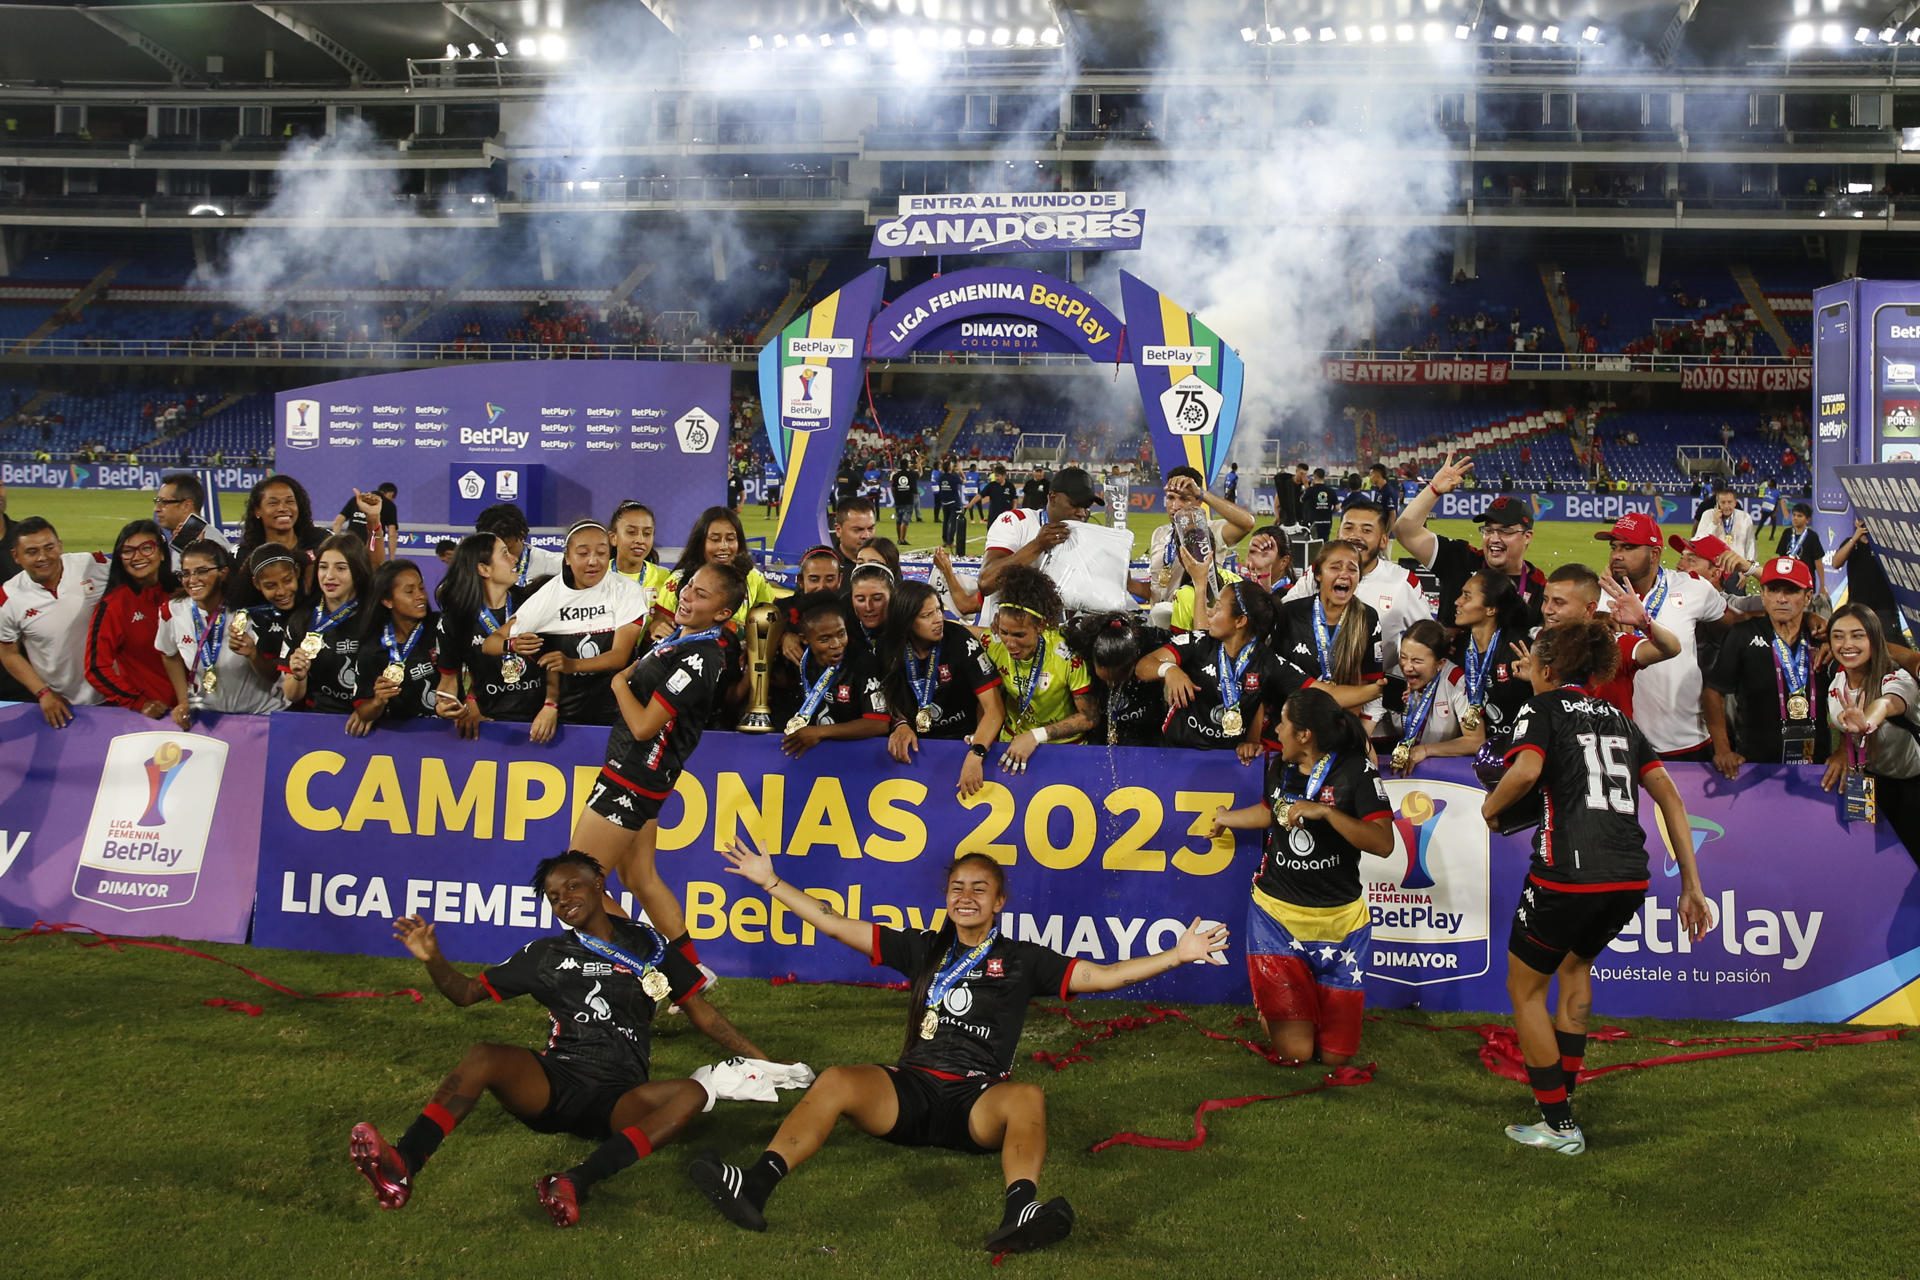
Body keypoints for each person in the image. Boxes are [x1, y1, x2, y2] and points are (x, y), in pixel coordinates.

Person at [688, 842, 1229, 1254]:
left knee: (1028, 1097)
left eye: (979, 889)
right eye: (957, 888)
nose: (966, 897)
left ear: (999, 901)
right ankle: (755, 1186)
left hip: (976, 1103)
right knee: (835, 1079)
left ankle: (1020, 1212)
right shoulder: (923, 947)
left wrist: (1177, 955)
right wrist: (772, 882)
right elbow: (834, 924)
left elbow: (1104, 976)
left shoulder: (1024, 959)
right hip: (910, 1092)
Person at [348, 851, 766, 1227]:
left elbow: (700, 1010)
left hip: (620, 1097)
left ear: (598, 885)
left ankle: (573, 1181)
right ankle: (403, 1162)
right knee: (483, 1056)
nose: (563, 898)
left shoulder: (649, 943)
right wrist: (434, 959)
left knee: (692, 1093)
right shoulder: (545, 955)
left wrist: (763, 1062)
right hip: (556, 1082)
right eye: (553, 896)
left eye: (572, 886)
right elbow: (466, 994)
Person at [1481, 620, 1713, 1156]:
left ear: (1545, 669)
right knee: (1575, 967)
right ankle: (1561, 1103)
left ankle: (1557, 1124)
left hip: (1567, 874)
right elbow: (1672, 801)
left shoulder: (1538, 709)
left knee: (1525, 991)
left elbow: (1526, 769)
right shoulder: (1621, 720)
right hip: (1630, 874)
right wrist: (1692, 886)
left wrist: (1489, 808)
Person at [569, 561, 748, 970]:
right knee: (640, 880)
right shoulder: (685, 641)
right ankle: (692, 972)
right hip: (641, 777)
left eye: (701, 595)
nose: (686, 595)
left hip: (632, 776)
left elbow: (645, 725)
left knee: (575, 884)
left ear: (723, 613)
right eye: (689, 587)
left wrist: (618, 684)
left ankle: (656, 967)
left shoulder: (699, 658)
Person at [1209, 687, 1394, 1065]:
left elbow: (1383, 843)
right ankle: (1278, 1010)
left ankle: (1292, 1010)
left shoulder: (1357, 770)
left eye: (1284, 723)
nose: (1276, 729)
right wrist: (1226, 819)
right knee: (1297, 1054)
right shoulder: (1279, 766)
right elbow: (1268, 813)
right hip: (1277, 917)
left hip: (1341, 922)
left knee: (1334, 1059)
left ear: (1305, 734)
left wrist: (1326, 813)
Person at [1595, 513, 1728, 761]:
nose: (1617, 555)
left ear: (1655, 554)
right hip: (1619, 745)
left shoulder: (1693, 588)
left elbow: (1736, 624)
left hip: (1685, 742)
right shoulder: (1600, 594)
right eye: (1614, 547)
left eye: (1628, 547)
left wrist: (1807, 619)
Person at [504, 521, 649, 728]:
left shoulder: (627, 590)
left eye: (601, 553)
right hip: (566, 715)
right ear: (567, 557)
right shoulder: (550, 594)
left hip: (617, 710)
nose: (593, 561)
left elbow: (619, 656)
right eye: (582, 553)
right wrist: (512, 645)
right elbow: (495, 640)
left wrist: (572, 665)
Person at [1135, 571, 1288, 757]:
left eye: (1218, 608)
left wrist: (1251, 741)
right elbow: (1143, 667)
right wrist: (1169, 669)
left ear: (1240, 621)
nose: (1210, 612)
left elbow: (1257, 699)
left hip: (1227, 760)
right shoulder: (1199, 642)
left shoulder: (1264, 660)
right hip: (1177, 754)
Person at [880, 579, 1005, 794]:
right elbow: (884, 696)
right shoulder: (888, 647)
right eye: (927, 615)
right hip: (916, 744)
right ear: (907, 621)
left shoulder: (959, 640)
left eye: (938, 610)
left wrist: (977, 753)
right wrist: (900, 723)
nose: (938, 619)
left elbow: (994, 709)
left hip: (963, 741)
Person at [1392, 456, 1546, 630]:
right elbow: (1405, 532)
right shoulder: (1461, 559)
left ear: (1527, 536)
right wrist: (1434, 490)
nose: (1494, 538)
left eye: (1505, 530)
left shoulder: (1540, 587)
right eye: (1488, 530)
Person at [1704, 557, 1827, 776]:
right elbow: (1714, 692)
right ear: (1762, 595)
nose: (1781, 598)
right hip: (1754, 762)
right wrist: (1723, 749)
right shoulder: (1743, 634)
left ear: (1807, 597)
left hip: (1816, 764)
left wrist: (1845, 753)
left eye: (1791, 591)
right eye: (1773, 590)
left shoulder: (1823, 638)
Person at [1282, 499, 1430, 676]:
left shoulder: (1402, 582)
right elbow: (1285, 615)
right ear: (1338, 534)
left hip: (1374, 692)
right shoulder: (1317, 572)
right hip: (1313, 686)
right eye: (1348, 528)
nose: (1355, 536)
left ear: (1383, 540)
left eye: (1366, 530)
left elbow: (1427, 638)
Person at [434, 532, 557, 741]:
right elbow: (448, 683)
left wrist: (550, 705)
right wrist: (445, 705)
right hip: (489, 725)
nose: (514, 559)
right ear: (483, 569)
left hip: (541, 722)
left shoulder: (532, 602)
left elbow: (555, 660)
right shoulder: (454, 621)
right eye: (504, 554)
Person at [1821, 604, 1920, 860]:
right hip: (1872, 781)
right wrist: (1845, 746)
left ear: (1874, 640)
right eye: (1838, 636)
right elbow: (1846, 728)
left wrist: (1866, 722)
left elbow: (1886, 704)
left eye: (1857, 635)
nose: (1847, 644)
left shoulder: (1896, 677)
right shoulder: (1837, 678)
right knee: (1871, 860)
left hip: (1912, 786)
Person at [156, 540, 285, 728]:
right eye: (186, 573)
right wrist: (184, 700)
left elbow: (274, 675)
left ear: (222, 573)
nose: (192, 580)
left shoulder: (249, 611)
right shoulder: (171, 612)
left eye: (201, 571)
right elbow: (169, 654)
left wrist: (253, 655)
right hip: (212, 722)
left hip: (261, 717)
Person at [1526, 563, 1680, 721]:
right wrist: (1534, 675)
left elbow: (1671, 648)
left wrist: (1644, 621)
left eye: (1559, 602)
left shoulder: (1614, 644)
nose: (1547, 610)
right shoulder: (1543, 641)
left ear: (1589, 608)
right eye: (1546, 600)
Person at [979, 565, 1096, 770]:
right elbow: (957, 633)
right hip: (1010, 747)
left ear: (1041, 626)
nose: (1010, 643)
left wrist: (1036, 736)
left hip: (1064, 749)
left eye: (1019, 635)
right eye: (1005, 632)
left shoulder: (1067, 654)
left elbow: (1089, 717)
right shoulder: (995, 644)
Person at [0, 518, 110, 728]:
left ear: (59, 545)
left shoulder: (92, 564)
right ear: (16, 556)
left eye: (49, 548)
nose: (43, 557)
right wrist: (43, 693)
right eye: (32, 551)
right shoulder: (8, 597)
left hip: (116, 692)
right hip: (63, 703)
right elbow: (8, 653)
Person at [1272, 541, 1386, 722]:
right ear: (1318, 574)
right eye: (1335, 567)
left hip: (1340, 727)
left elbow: (1365, 686)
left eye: (1352, 569)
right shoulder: (1291, 613)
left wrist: (1347, 736)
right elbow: (1276, 676)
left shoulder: (1368, 617)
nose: (1344, 575)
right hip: (1290, 724)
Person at [975, 467, 1106, 619]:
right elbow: (986, 582)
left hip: (1055, 637)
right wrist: (1037, 545)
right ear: (1052, 497)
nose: (1082, 513)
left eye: (1086, 507)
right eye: (1075, 505)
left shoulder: (1081, 538)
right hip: (1002, 637)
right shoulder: (1017, 522)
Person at [773, 595, 890, 758]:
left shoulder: (863, 662)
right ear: (805, 639)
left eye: (841, 634)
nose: (836, 644)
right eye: (824, 639)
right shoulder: (802, 660)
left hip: (859, 757)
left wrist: (820, 732)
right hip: (814, 755)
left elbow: (879, 723)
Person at [84, 520, 179, 719]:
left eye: (146, 548)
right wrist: (139, 702)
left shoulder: (184, 593)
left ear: (162, 553)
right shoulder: (113, 606)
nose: (137, 557)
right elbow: (96, 668)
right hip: (154, 717)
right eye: (128, 551)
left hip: (200, 709)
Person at [347, 560, 441, 736]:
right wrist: (377, 702)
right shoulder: (373, 649)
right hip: (404, 738)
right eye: (409, 591)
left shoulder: (441, 627)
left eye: (421, 588)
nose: (420, 596)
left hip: (447, 732)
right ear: (388, 601)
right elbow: (363, 711)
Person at [279, 534, 372, 714]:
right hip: (319, 720)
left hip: (368, 720)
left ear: (358, 571)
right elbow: (291, 695)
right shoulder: (301, 621)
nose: (329, 576)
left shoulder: (376, 618)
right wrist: (299, 676)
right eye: (323, 567)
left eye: (341, 568)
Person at [1143, 465, 1255, 614]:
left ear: (1198, 501)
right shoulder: (1160, 533)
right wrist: (1129, 583)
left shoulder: (1211, 531)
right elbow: (1157, 590)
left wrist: (1201, 492)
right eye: (1170, 498)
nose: (1175, 506)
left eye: (1184, 498)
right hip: (1159, 623)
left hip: (1196, 622)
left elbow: (1247, 523)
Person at [653, 506, 778, 632]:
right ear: (700, 542)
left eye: (730, 539)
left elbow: (773, 618)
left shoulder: (754, 577)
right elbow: (659, 625)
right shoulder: (678, 580)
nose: (724, 546)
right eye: (715, 539)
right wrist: (657, 627)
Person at [1384, 619, 1485, 774]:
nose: (1407, 667)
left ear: (1440, 663)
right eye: (1403, 657)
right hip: (1399, 766)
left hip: (1443, 770)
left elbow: (1475, 741)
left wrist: (1425, 750)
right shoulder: (1393, 676)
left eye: (1417, 661)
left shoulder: (1456, 681)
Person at [1448, 569, 1534, 747]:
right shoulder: (1456, 648)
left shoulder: (1520, 650)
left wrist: (1536, 678)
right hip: (1468, 746)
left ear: (1491, 609)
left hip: (1514, 749)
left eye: (1467, 596)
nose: (1458, 601)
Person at [1062, 612, 1170, 747]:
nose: (1110, 684)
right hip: (1100, 732)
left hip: (1148, 730)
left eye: (1117, 679)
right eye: (1104, 678)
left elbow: (1191, 648)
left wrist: (1169, 670)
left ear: (1135, 658)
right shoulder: (1083, 640)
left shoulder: (1153, 641)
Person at [233, 474, 330, 599]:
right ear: (257, 510)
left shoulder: (321, 541)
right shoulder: (243, 555)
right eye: (273, 503)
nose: (283, 508)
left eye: (290, 501)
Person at [1831, 517, 1904, 643]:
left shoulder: (1886, 543)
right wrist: (1855, 539)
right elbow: (1836, 563)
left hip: (1884, 607)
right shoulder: (1850, 543)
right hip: (1857, 606)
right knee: (1858, 644)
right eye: (1859, 520)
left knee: (1890, 646)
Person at [152, 472, 231, 573]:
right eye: (157, 501)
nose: (156, 509)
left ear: (187, 506)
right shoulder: (185, 538)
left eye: (163, 502)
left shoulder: (208, 542)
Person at [477, 502, 562, 588]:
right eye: (494, 550)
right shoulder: (471, 570)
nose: (510, 558)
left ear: (522, 535)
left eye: (507, 550)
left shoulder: (556, 566)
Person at [609, 500, 672, 596]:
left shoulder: (667, 580)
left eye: (647, 533)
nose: (640, 540)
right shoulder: (597, 575)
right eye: (631, 532)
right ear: (613, 538)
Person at [1693, 486, 1757, 567]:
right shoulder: (1708, 515)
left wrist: (1748, 568)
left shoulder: (1745, 517)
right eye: (1723, 502)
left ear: (1735, 503)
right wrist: (1714, 523)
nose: (1726, 506)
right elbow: (1699, 541)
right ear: (1717, 503)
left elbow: (1751, 544)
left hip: (1738, 567)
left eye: (1730, 502)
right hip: (1714, 566)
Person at [1777, 503, 1825, 598]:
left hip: (1806, 580)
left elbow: (1818, 562)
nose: (1795, 518)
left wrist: (1822, 585)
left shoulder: (1812, 536)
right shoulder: (1787, 533)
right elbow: (1781, 558)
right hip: (1788, 579)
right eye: (1794, 515)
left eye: (1799, 516)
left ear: (1807, 520)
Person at [846, 561, 894, 654]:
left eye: (877, 599)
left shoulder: (907, 633)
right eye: (860, 599)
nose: (868, 607)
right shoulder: (844, 631)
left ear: (892, 596)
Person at [830, 498, 878, 582]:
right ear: (838, 530)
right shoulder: (825, 568)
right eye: (858, 529)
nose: (866, 536)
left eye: (870, 528)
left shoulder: (886, 563)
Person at [1239, 524, 1294, 594]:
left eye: (1262, 558)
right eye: (1251, 553)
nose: (1251, 566)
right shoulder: (1244, 588)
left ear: (1283, 562)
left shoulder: (1292, 598)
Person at [1302, 468, 1337, 542]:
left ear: (1314, 476)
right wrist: (1330, 512)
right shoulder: (1331, 490)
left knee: (1314, 543)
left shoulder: (1311, 490)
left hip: (1314, 522)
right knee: (1325, 541)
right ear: (1324, 477)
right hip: (1327, 521)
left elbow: (1301, 500)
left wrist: (1307, 486)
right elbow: (1338, 507)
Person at [892, 462, 919, 544]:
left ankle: (899, 539)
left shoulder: (895, 476)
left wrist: (895, 497)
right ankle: (902, 539)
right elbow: (919, 474)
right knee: (905, 520)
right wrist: (919, 464)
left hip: (898, 500)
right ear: (907, 465)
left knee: (899, 520)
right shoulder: (912, 474)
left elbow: (893, 488)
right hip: (908, 500)